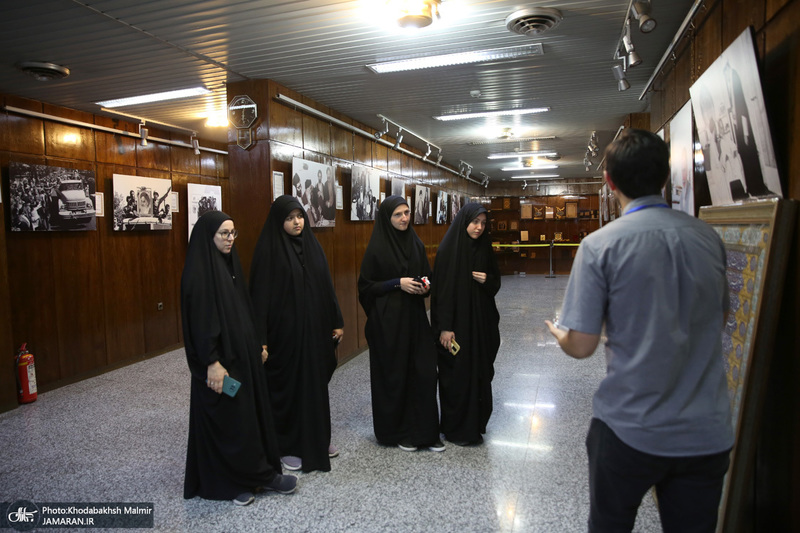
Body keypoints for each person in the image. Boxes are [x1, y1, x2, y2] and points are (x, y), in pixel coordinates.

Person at [545, 129, 733, 533]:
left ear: (610, 182)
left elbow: (581, 346)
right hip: (706, 429)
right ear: (665, 177)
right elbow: (719, 322)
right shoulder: (709, 237)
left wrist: (560, 334)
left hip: (630, 427)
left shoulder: (599, 246)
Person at [181, 211, 297, 507]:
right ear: (209, 236)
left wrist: (256, 343)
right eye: (224, 234)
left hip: (242, 358)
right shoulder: (200, 272)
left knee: (247, 418)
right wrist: (212, 363)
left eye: (233, 233)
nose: (230, 239)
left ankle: (256, 475)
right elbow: (201, 323)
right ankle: (231, 482)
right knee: (230, 423)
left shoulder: (228, 265)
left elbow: (243, 310)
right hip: (220, 365)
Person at [250, 196, 344, 473]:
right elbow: (259, 299)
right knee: (289, 388)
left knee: (314, 385)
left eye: (300, 216)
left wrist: (336, 320)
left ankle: (316, 438)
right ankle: (287, 445)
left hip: (314, 331)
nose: (296, 222)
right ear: (280, 221)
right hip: (284, 336)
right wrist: (261, 338)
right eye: (290, 218)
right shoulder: (268, 250)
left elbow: (326, 286)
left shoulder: (313, 247)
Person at [358, 195, 443, 452]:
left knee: (425, 372)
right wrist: (398, 283)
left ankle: (426, 432)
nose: (404, 218)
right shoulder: (377, 248)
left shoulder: (415, 243)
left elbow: (427, 276)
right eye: (398, 214)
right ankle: (399, 431)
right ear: (387, 218)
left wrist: (424, 287)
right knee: (397, 375)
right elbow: (366, 287)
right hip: (389, 324)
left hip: (415, 319)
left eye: (406, 213)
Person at [431, 203, 501, 446]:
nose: (479, 228)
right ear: (464, 222)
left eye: (483, 223)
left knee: (479, 372)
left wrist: (487, 279)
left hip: (481, 325)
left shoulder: (485, 249)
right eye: (475, 222)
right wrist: (445, 327)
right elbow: (441, 293)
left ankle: (476, 423)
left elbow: (496, 283)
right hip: (457, 326)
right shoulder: (449, 250)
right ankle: (455, 427)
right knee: (456, 375)